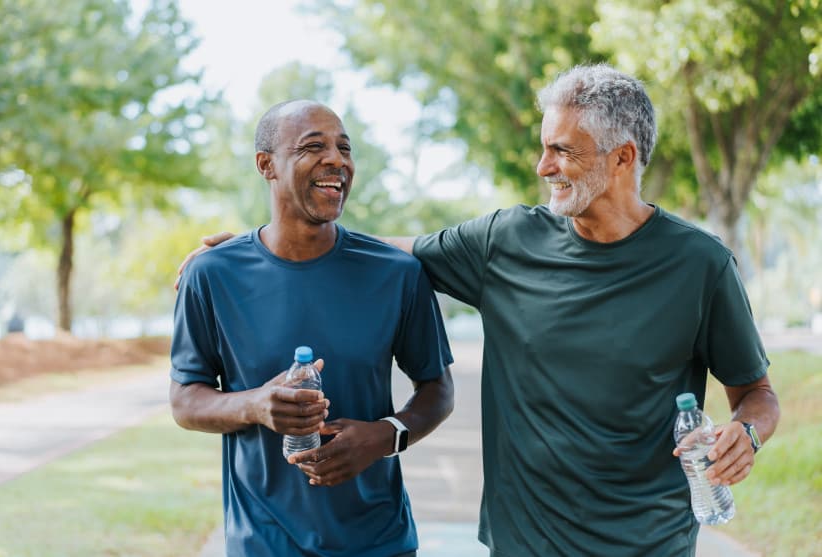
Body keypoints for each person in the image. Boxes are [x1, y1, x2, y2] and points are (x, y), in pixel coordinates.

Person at [178, 65, 780, 556]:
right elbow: (376, 251)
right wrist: (253, 243)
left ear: (622, 159)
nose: (543, 167)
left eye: (562, 151)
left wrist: (746, 433)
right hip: (524, 544)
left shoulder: (700, 265)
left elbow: (756, 392)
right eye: (544, 148)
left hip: (652, 543)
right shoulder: (507, 241)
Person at [170, 99, 454, 557]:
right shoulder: (212, 275)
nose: (337, 160)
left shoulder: (398, 274)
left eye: (344, 148)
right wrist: (256, 405)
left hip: (380, 542)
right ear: (267, 165)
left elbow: (437, 390)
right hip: (263, 543)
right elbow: (185, 401)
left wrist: (384, 435)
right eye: (312, 147)